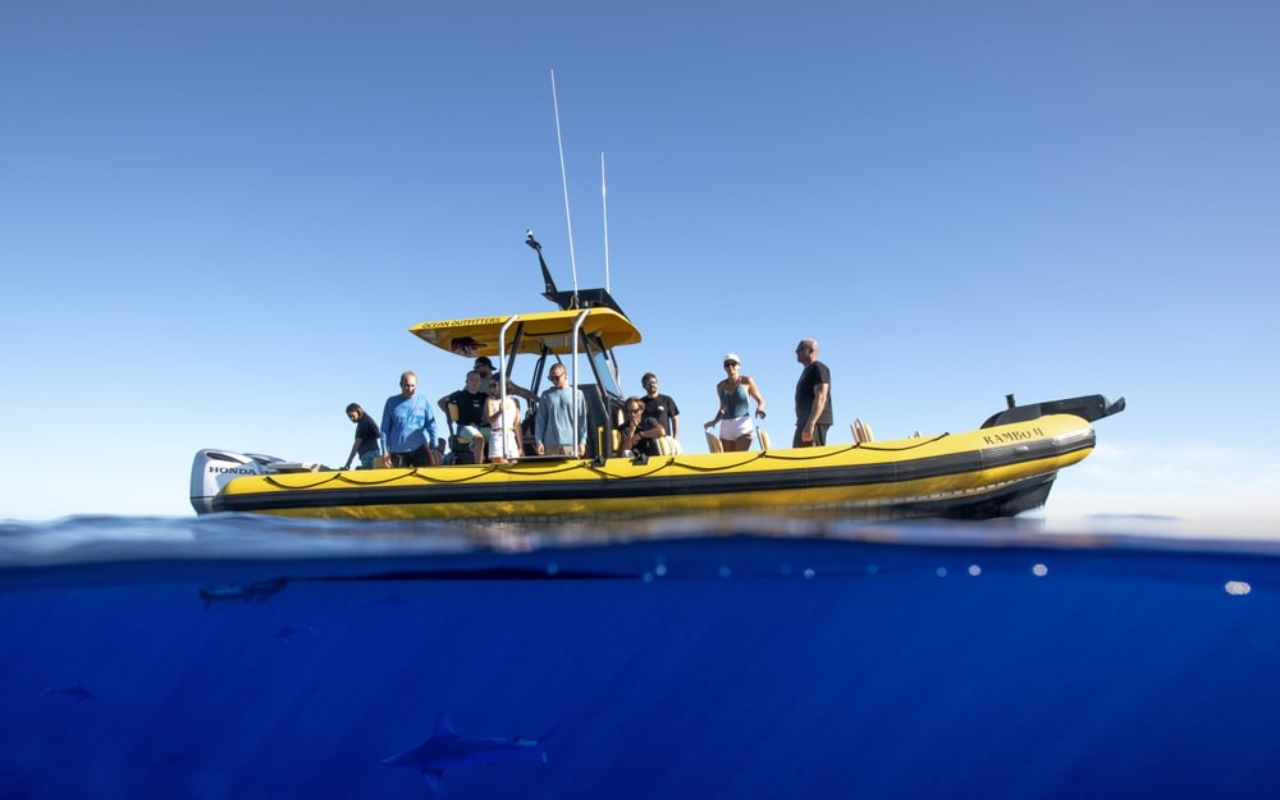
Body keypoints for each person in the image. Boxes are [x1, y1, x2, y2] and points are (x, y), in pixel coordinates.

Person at [704, 353, 766, 452]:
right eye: (727, 364)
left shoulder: (746, 381)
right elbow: (722, 408)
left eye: (733, 363)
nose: (730, 366)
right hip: (726, 425)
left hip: (742, 423)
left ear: (739, 366)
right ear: (724, 368)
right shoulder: (720, 386)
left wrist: (760, 408)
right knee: (729, 461)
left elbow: (761, 400)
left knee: (739, 457)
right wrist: (714, 421)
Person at [380, 371, 439, 467]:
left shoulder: (423, 400)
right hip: (397, 451)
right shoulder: (391, 402)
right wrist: (384, 451)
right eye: (406, 386)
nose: (410, 389)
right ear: (400, 385)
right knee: (400, 481)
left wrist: (435, 448)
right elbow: (384, 429)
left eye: (412, 386)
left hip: (419, 448)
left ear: (416, 385)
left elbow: (431, 426)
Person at [534, 363, 587, 457]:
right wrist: (539, 441)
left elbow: (582, 420)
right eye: (551, 378)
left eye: (557, 377)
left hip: (571, 444)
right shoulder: (546, 395)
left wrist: (582, 442)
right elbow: (540, 420)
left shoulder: (578, 394)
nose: (554, 380)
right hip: (550, 445)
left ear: (565, 375)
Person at [439, 370, 488, 463]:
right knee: (479, 439)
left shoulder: (483, 396)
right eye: (472, 379)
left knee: (497, 435)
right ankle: (479, 466)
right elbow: (441, 402)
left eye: (477, 380)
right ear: (467, 382)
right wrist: (450, 415)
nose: (475, 382)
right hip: (464, 427)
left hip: (479, 427)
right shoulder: (459, 395)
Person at [794, 338, 833, 447]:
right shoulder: (807, 371)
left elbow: (821, 397)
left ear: (811, 351)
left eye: (800, 349)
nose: (796, 352)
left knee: (811, 458)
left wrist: (811, 423)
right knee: (798, 458)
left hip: (815, 422)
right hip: (803, 422)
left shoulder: (818, 369)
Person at [484, 375, 523, 463]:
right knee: (503, 467)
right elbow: (490, 419)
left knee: (514, 468)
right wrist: (500, 411)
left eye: (494, 385)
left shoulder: (514, 402)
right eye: (490, 386)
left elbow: (517, 425)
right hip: (497, 435)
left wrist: (521, 447)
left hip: (511, 436)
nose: (492, 389)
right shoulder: (490, 400)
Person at [640, 373, 680, 442]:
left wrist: (675, 439)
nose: (652, 385)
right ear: (644, 386)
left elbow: (675, 419)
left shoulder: (667, 400)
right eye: (648, 383)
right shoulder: (640, 403)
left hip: (665, 441)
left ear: (657, 384)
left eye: (653, 382)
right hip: (646, 442)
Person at [343, 403, 381, 470]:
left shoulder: (363, 423)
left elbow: (357, 444)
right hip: (373, 453)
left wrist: (348, 462)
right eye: (349, 417)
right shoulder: (367, 420)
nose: (351, 419)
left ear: (358, 411)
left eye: (352, 416)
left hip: (368, 455)